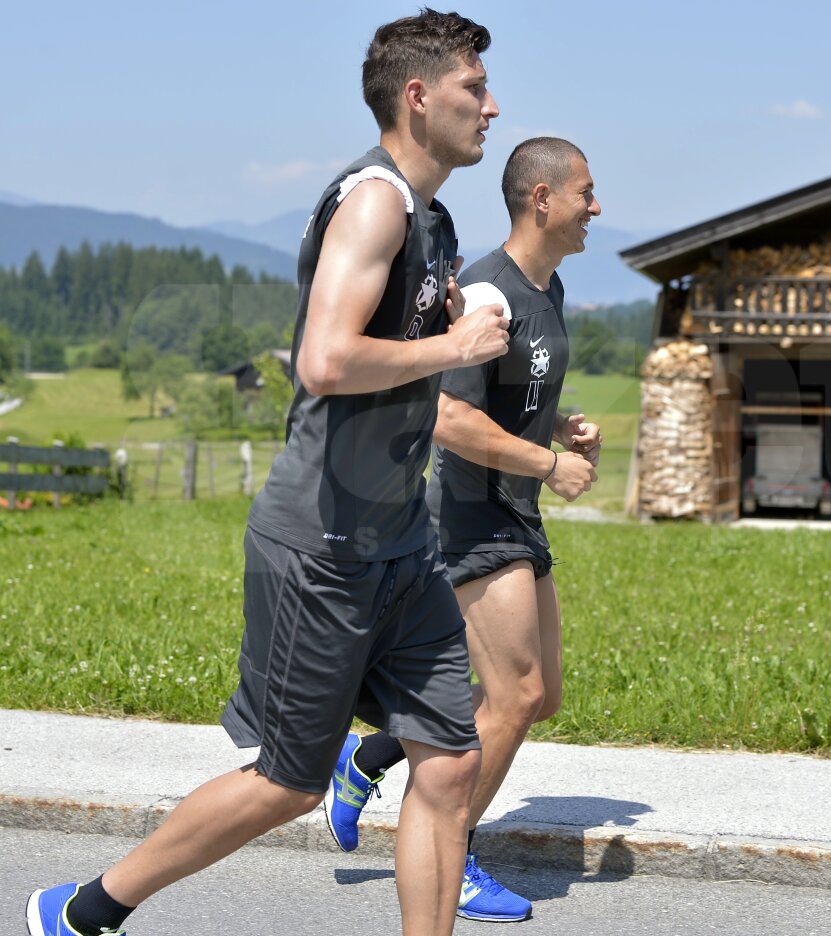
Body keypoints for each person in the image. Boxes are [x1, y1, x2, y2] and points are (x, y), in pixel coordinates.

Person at [26, 10, 506, 936]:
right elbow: (323, 362)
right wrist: (454, 340)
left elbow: (384, 347)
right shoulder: (375, 201)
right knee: (287, 781)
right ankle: (86, 909)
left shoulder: (432, 216)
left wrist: (438, 326)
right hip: (321, 545)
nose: (492, 105)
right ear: (418, 96)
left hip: (402, 542)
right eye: (473, 88)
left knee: (449, 762)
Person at [324, 137, 602, 923]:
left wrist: (565, 435)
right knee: (513, 696)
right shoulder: (487, 292)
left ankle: (371, 753)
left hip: (516, 511)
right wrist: (547, 465)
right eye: (587, 191)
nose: (597, 206)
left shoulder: (547, 290)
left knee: (537, 696)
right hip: (474, 516)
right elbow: (448, 416)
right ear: (542, 200)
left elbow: (515, 397)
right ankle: (457, 852)